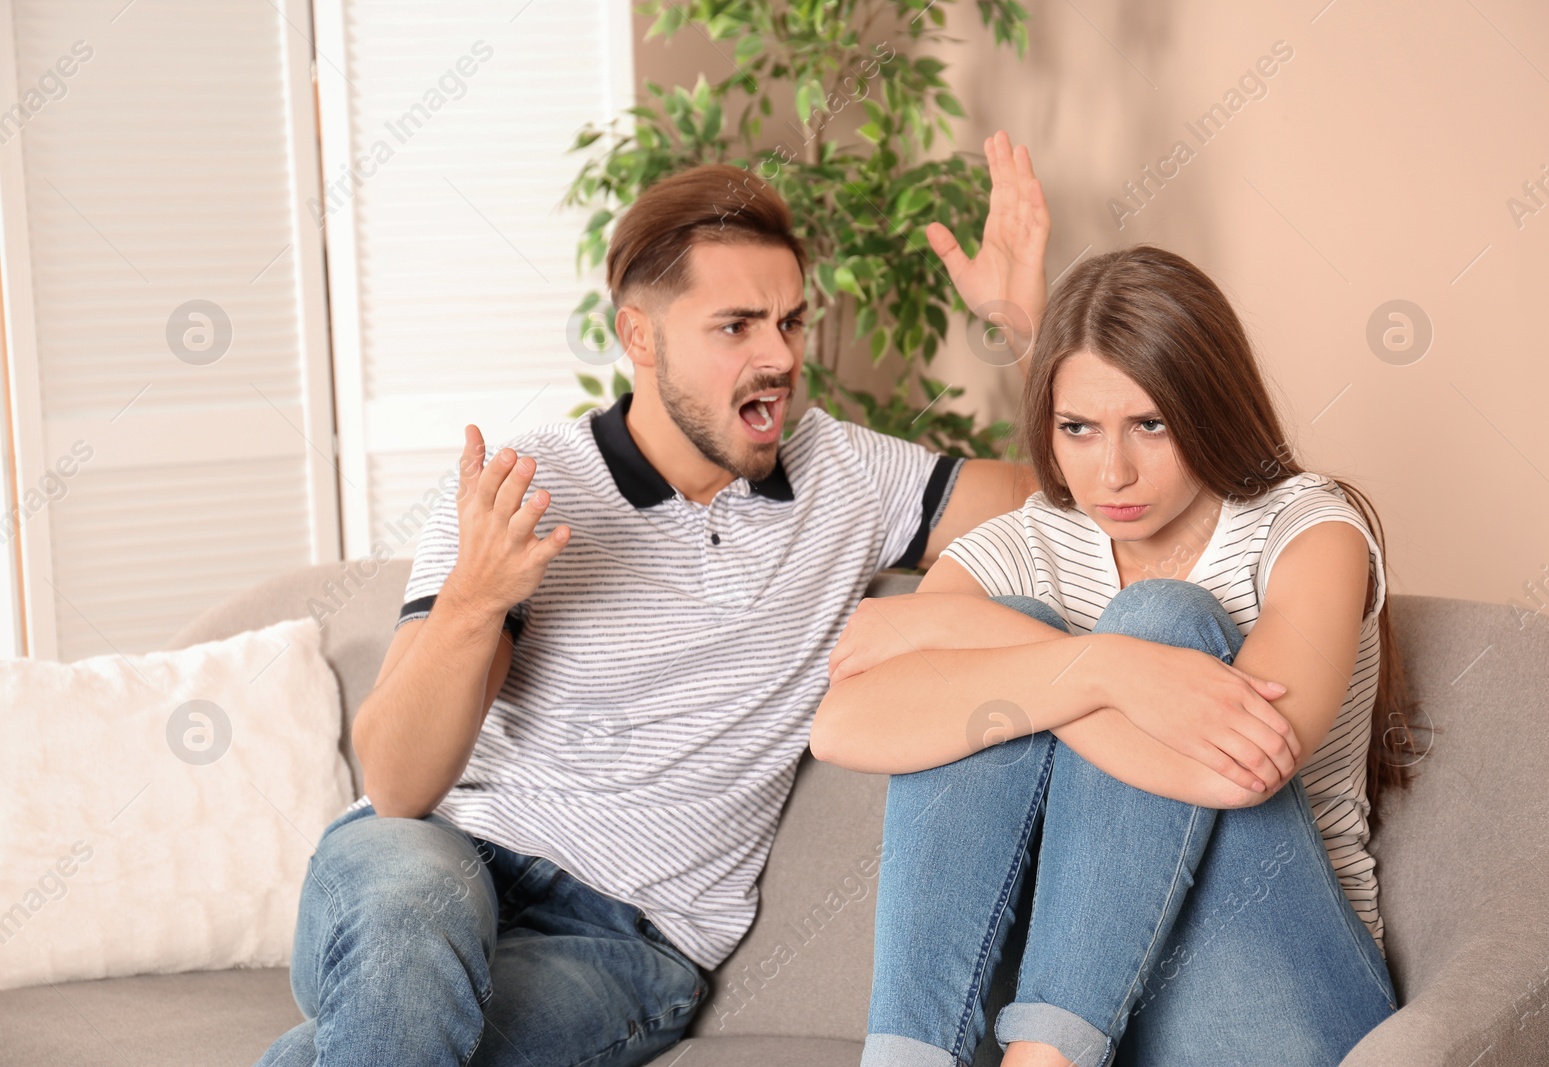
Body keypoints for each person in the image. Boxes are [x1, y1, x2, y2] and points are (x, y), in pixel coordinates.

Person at [254, 157, 1043, 1067]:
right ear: (641, 334)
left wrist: (1023, 331)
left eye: (790, 322)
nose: (780, 357)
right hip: (431, 859)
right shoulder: (530, 482)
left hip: (626, 939)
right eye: (736, 325)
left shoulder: (850, 478)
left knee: (372, 1041)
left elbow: (1062, 502)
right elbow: (395, 787)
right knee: (412, 926)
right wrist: (473, 603)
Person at [811, 135, 1419, 1067]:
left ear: (1209, 406)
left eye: (1152, 423)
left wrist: (1057, 661)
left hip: (1277, 990)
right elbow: (844, 720)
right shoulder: (1031, 540)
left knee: (1156, 623)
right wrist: (1100, 669)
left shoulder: (1310, 530)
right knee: (1049, 668)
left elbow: (1242, 766)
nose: (1114, 470)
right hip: (1113, 1006)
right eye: (1079, 429)